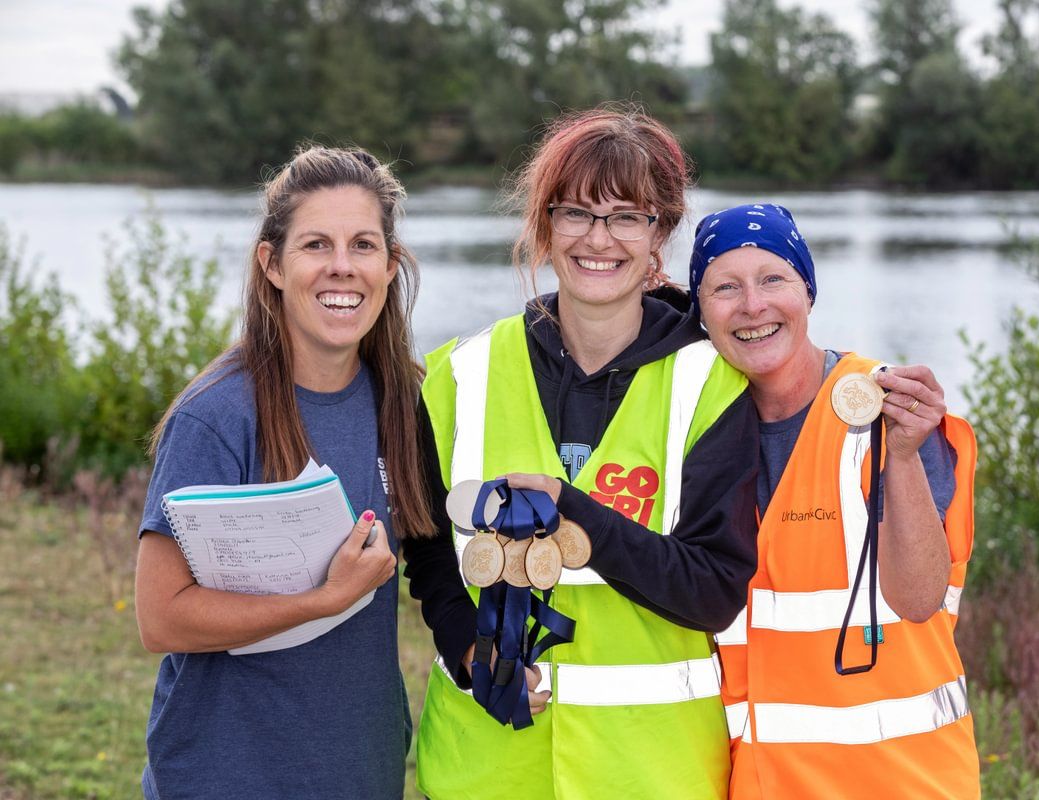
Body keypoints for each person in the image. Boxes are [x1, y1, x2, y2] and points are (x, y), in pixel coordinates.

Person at [401, 107, 759, 799]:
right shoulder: (458, 375)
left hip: (650, 771)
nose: (601, 238)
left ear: (660, 234)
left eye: (629, 216)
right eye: (577, 213)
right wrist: (469, 649)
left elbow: (715, 592)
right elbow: (428, 548)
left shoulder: (711, 384)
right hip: (484, 767)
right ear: (544, 225)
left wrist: (579, 520)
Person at [134, 146, 434, 799]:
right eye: (315, 245)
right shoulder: (216, 417)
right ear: (272, 264)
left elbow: (443, 565)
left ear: (389, 264)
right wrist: (325, 599)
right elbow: (162, 618)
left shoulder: (407, 405)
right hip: (225, 775)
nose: (341, 267)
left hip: (360, 770)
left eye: (362, 245)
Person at [690, 203, 980, 799]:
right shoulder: (695, 425)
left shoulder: (888, 411)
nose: (752, 306)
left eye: (773, 278)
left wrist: (901, 455)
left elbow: (920, 598)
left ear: (809, 292)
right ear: (700, 311)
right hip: (761, 784)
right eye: (725, 287)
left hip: (902, 782)